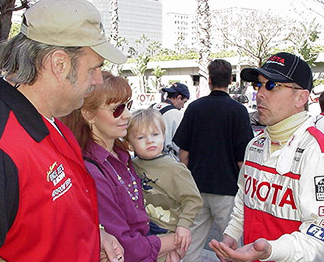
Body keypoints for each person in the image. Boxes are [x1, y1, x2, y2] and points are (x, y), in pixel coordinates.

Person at [0, 0, 127, 261]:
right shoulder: (5, 146)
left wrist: (94, 234)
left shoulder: (55, 122)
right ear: (59, 64)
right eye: (94, 68)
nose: (98, 80)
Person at [209, 52, 324, 262]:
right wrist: (231, 235)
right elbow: (244, 197)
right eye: (258, 85)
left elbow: (319, 237)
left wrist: (271, 250)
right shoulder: (255, 144)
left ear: (301, 97)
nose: (260, 93)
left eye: (271, 85)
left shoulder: (317, 150)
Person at [61, 72, 184, 262]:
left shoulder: (123, 155)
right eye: (117, 109)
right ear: (88, 114)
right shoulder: (91, 169)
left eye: (128, 106)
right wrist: (174, 241)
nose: (127, 115)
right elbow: (124, 244)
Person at [173, 59, 254, 262]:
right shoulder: (239, 111)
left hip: (196, 187)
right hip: (227, 190)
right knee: (232, 247)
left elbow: (184, 153)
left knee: (190, 246)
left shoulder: (194, 108)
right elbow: (242, 159)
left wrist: (186, 181)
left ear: (209, 80)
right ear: (230, 80)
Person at [125, 108, 203, 252]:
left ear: (163, 135)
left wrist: (184, 225)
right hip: (141, 229)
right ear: (129, 144)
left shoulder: (174, 168)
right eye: (141, 137)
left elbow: (193, 199)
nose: (150, 141)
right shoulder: (131, 165)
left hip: (168, 231)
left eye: (155, 134)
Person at [152, 82, 190, 161]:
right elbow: (180, 145)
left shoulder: (153, 107)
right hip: (167, 160)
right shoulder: (176, 114)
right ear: (179, 98)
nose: (183, 106)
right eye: (184, 102)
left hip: (149, 156)